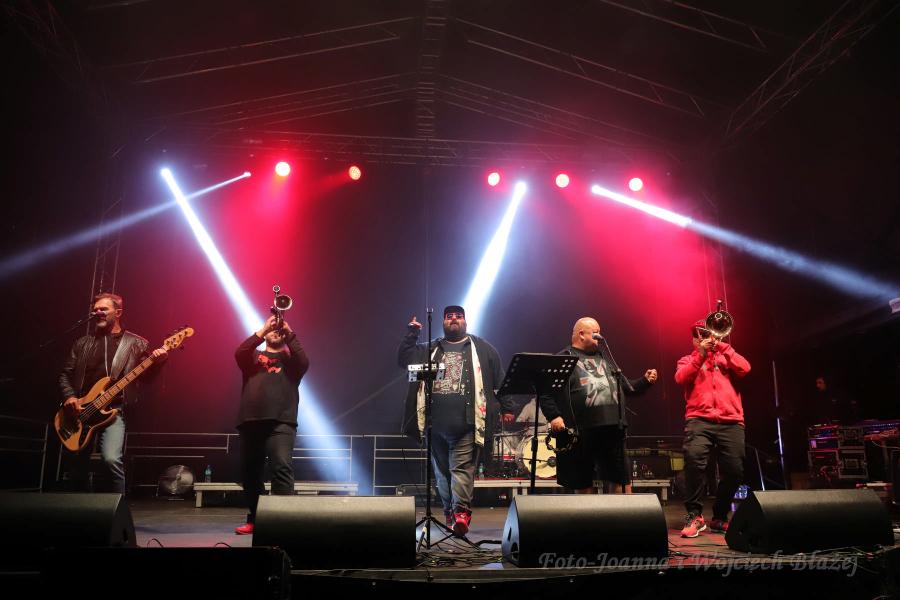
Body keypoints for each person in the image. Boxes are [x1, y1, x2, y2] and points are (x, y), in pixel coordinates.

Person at [399, 305, 514, 536]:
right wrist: (412, 333)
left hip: (466, 424)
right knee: (442, 474)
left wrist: (508, 407)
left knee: (461, 468)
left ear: (465, 321)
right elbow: (404, 359)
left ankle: (461, 511)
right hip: (435, 424)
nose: (453, 319)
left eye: (458, 316)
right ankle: (450, 513)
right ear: (442, 322)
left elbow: (500, 379)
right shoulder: (431, 348)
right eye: (449, 316)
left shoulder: (482, 348)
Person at [58, 292, 168, 494]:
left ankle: (119, 509)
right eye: (95, 309)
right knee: (76, 465)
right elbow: (65, 374)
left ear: (118, 312)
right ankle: (79, 507)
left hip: (114, 410)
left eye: (103, 309)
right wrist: (70, 396)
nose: (97, 312)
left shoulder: (135, 343)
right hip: (81, 411)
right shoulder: (82, 343)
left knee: (110, 459)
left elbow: (145, 378)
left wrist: (158, 364)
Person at [539, 317, 657, 494]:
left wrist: (645, 381)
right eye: (596, 332)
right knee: (583, 481)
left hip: (612, 428)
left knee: (620, 478)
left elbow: (626, 387)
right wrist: (554, 415)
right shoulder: (564, 357)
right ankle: (589, 514)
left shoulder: (604, 357)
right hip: (580, 431)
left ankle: (625, 513)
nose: (600, 336)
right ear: (581, 334)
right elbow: (545, 392)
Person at [234, 314, 309, 535]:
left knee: (281, 469)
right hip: (251, 422)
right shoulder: (252, 358)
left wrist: (289, 332)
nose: (275, 331)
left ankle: (282, 523)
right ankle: (257, 519)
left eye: (279, 331)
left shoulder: (291, 363)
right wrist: (262, 330)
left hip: (281, 423)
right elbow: (240, 352)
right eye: (272, 330)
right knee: (250, 474)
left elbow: (304, 361)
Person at [675, 320, 751, 537]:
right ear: (694, 340)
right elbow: (681, 378)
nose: (704, 338)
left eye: (708, 334)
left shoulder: (727, 356)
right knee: (693, 463)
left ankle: (719, 516)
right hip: (699, 419)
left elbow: (745, 368)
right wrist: (700, 355)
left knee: (735, 471)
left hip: (731, 420)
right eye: (699, 335)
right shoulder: (687, 359)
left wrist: (722, 346)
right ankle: (695, 516)